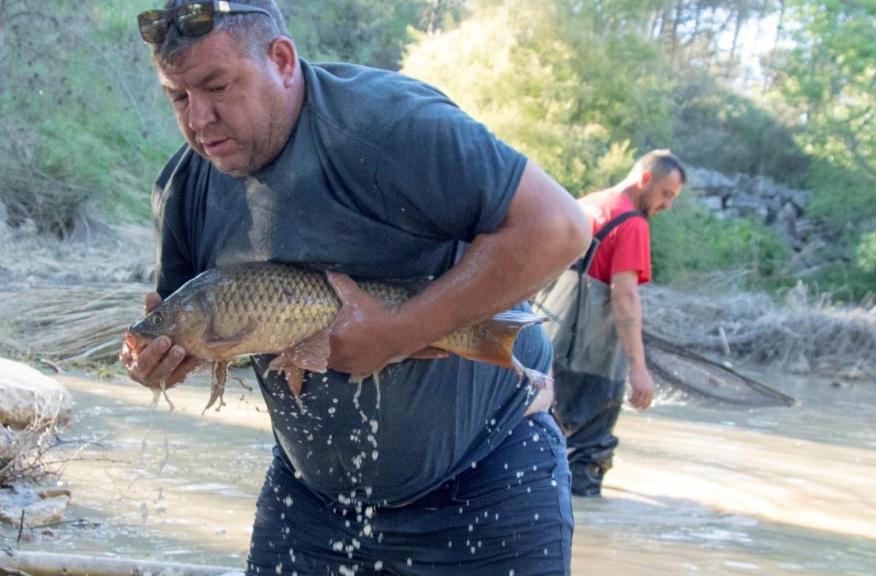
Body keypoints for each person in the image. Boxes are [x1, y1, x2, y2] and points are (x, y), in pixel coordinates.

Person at [119, 1, 590, 574]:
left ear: (282, 60)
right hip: (312, 500)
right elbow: (186, 327)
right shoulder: (185, 187)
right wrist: (158, 362)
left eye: (217, 86)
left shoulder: (391, 126)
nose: (199, 120)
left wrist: (396, 335)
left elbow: (560, 228)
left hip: (487, 478)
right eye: (178, 97)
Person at [551, 150, 686, 497]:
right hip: (592, 360)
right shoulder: (632, 223)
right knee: (586, 457)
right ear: (645, 180)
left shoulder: (586, 204)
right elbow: (624, 294)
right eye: (666, 194)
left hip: (548, 345)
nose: (668, 205)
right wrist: (638, 367)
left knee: (543, 439)